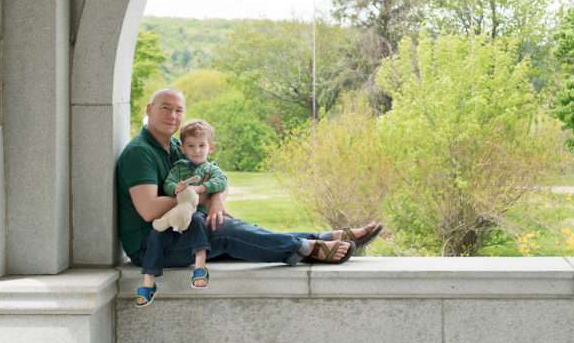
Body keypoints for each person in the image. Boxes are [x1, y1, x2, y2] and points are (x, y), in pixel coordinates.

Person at [116, 88, 383, 305]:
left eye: (179, 110)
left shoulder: (176, 145)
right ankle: (305, 248)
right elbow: (149, 209)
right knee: (229, 231)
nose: (173, 115)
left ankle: (325, 238)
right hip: (154, 245)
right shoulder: (140, 153)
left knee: (235, 227)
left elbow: (214, 175)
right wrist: (197, 197)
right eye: (165, 107)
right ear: (149, 109)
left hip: (183, 229)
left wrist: (216, 198)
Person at [132, 118, 228, 307]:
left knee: (198, 222)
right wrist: (176, 188)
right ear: (183, 149)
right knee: (156, 233)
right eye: (191, 146)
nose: (197, 150)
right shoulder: (179, 168)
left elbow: (221, 182)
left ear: (211, 147)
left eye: (202, 145)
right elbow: (168, 183)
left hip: (196, 212)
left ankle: (200, 265)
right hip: (175, 213)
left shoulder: (211, 169)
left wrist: (201, 188)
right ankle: (148, 282)